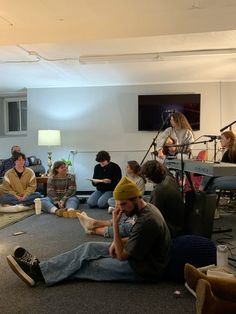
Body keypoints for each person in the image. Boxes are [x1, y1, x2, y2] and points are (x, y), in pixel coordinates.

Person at [6, 176, 171, 287]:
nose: (120, 209)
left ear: (136, 199)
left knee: (90, 266)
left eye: (123, 205)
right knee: (88, 247)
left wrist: (114, 224)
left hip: (144, 269)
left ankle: (39, 275)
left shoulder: (147, 221)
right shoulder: (145, 208)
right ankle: (41, 268)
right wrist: (117, 241)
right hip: (140, 255)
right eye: (118, 204)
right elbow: (139, 239)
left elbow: (122, 255)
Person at [78, 160, 146, 238]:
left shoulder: (138, 180)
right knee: (94, 202)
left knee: (125, 225)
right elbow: (119, 190)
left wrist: (110, 182)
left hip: (127, 198)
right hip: (115, 195)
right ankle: (94, 223)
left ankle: (93, 229)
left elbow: (139, 195)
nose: (125, 168)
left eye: (127, 167)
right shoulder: (126, 177)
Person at [141, 160, 185, 238]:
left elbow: (152, 217)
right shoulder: (169, 179)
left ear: (149, 177)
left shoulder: (159, 191)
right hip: (177, 224)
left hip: (170, 229)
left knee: (130, 226)